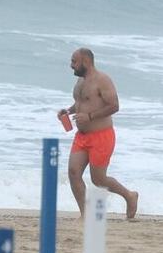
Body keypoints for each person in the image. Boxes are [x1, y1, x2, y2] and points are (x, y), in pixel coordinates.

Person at [58, 47, 139, 219]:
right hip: (82, 136)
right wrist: (68, 111)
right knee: (73, 173)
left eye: (74, 61)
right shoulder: (80, 82)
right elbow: (81, 103)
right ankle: (85, 214)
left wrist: (89, 116)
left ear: (85, 61)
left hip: (101, 136)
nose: (71, 65)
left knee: (98, 179)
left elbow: (114, 105)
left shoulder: (103, 80)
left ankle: (129, 195)